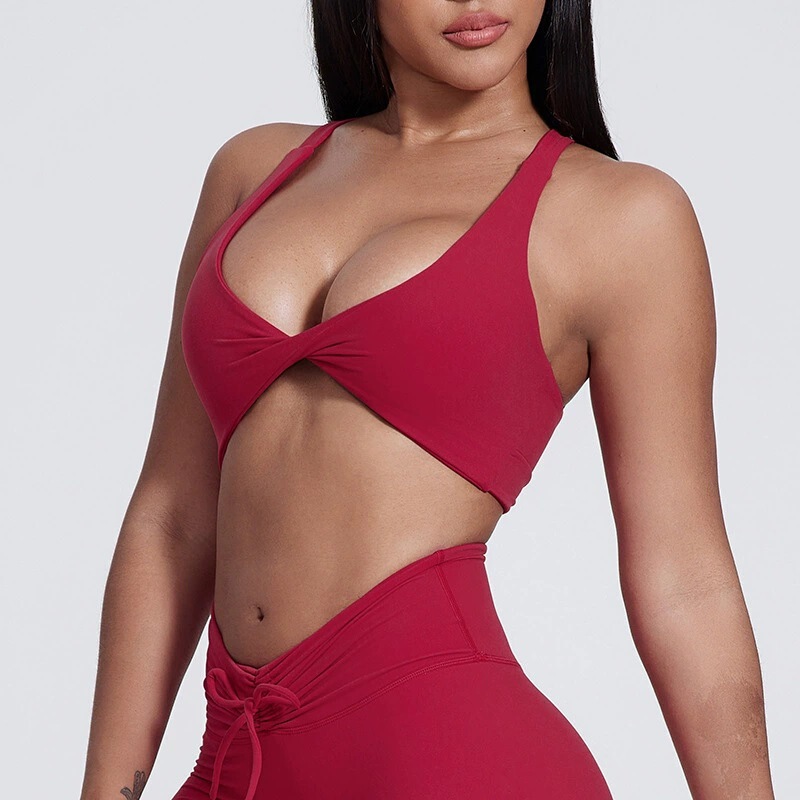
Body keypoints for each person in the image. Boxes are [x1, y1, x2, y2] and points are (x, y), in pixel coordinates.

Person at [80, 1, 775, 798]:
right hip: (236, 767)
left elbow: (685, 580)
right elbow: (172, 520)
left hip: (455, 765)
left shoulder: (622, 218)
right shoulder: (252, 171)